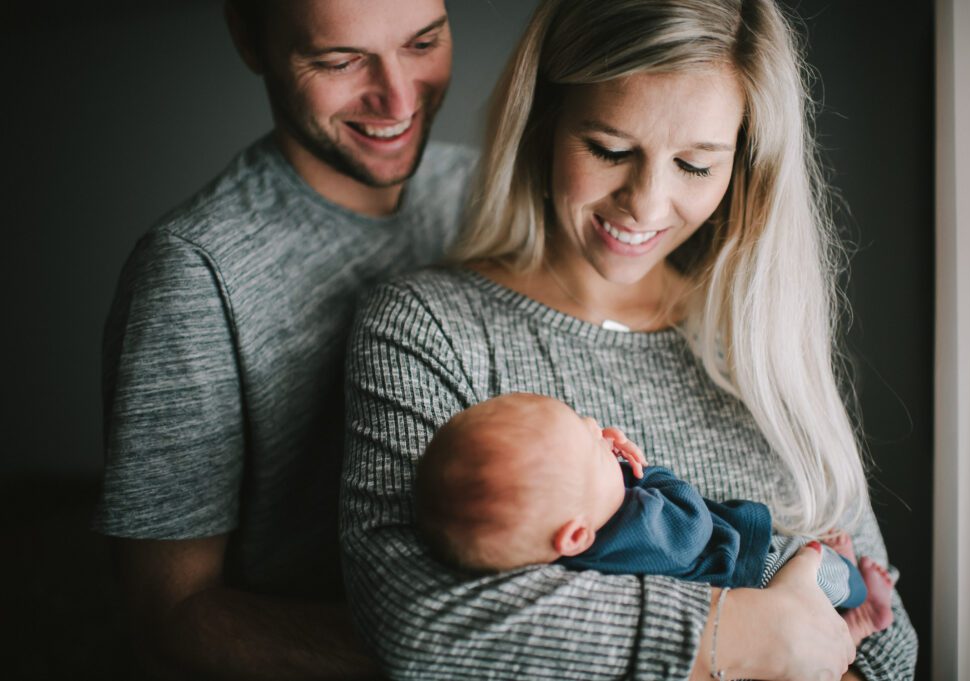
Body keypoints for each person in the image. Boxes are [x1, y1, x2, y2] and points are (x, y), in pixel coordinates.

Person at [341, 0, 918, 679]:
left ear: (744, 168)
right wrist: (735, 634)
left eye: (696, 166)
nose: (645, 204)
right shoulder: (427, 328)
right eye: (610, 149)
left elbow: (888, 652)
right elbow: (422, 625)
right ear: (546, 122)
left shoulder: (759, 344)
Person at [92, 0, 475, 678]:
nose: (396, 97)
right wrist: (464, 653)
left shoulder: (485, 191)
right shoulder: (191, 275)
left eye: (423, 42)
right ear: (249, 37)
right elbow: (171, 617)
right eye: (340, 60)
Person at [413, 392, 896, 646]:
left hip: (743, 605)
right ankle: (865, 605)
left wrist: (608, 469)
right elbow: (691, 523)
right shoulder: (635, 525)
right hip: (759, 572)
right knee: (822, 571)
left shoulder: (567, 551)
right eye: (595, 448)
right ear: (577, 534)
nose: (602, 432)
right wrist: (646, 471)